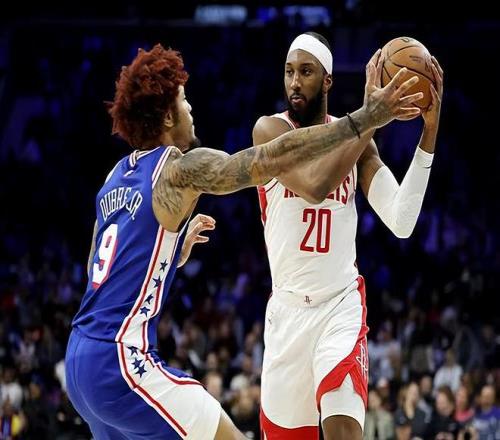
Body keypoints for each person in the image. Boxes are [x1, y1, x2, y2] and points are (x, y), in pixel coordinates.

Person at [64, 43, 422, 440]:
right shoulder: (179, 170)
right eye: (184, 101)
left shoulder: (115, 177)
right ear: (167, 116)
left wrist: (169, 252)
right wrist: (365, 118)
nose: (191, 109)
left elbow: (100, 265)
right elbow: (265, 160)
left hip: (78, 361)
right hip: (121, 361)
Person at [252, 32, 443, 439]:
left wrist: (429, 132)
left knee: (343, 430)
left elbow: (402, 220)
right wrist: (370, 119)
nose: (294, 82)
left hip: (339, 307)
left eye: (306, 72)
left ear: (327, 81)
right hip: (286, 314)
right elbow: (315, 185)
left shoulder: (359, 142)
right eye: (289, 72)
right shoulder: (269, 132)